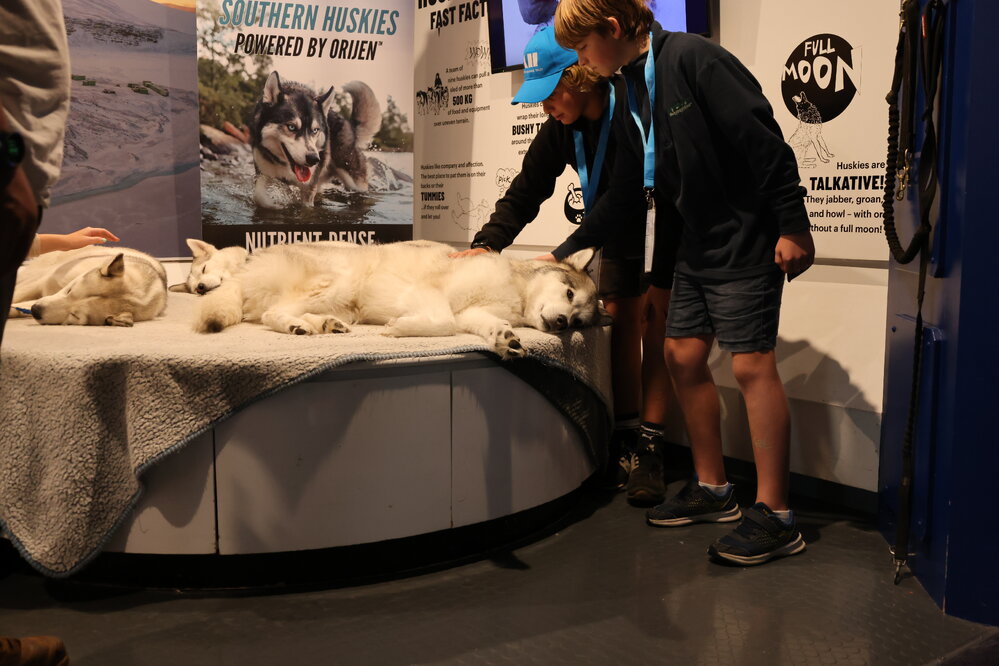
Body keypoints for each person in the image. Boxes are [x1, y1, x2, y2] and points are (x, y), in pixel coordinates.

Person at [554, 0, 815, 565]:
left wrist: (793, 225)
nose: (580, 60)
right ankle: (714, 488)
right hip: (694, 244)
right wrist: (567, 249)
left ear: (614, 29)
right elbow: (628, 189)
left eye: (581, 47)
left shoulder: (694, 57)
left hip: (746, 236)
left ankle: (776, 515)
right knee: (681, 354)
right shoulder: (630, 90)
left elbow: (763, 141)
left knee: (749, 363)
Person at [453, 27, 676, 504]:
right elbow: (526, 189)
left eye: (550, 93)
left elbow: (625, 194)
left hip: (660, 221)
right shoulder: (559, 127)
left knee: (655, 326)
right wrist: (486, 245)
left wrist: (562, 252)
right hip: (610, 229)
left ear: (578, 76)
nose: (544, 106)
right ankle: (622, 437)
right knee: (616, 320)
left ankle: (653, 448)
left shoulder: (630, 105)